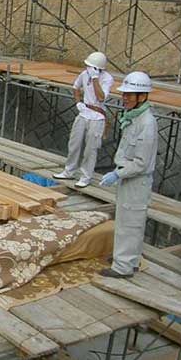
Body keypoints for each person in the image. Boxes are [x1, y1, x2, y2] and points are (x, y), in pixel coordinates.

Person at [99, 71, 158, 278]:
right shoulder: (135, 117)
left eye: (129, 95)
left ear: (142, 97)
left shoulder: (147, 124)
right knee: (125, 220)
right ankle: (126, 259)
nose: (124, 98)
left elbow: (140, 163)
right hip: (128, 177)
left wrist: (117, 173)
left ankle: (123, 267)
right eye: (124, 94)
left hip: (135, 180)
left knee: (130, 223)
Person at [54, 51, 114, 188]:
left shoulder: (107, 78)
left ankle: (86, 176)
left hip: (97, 116)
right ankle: (69, 171)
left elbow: (101, 97)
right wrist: (78, 102)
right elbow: (76, 87)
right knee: (74, 143)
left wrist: (95, 79)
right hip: (84, 113)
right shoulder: (84, 73)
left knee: (90, 149)